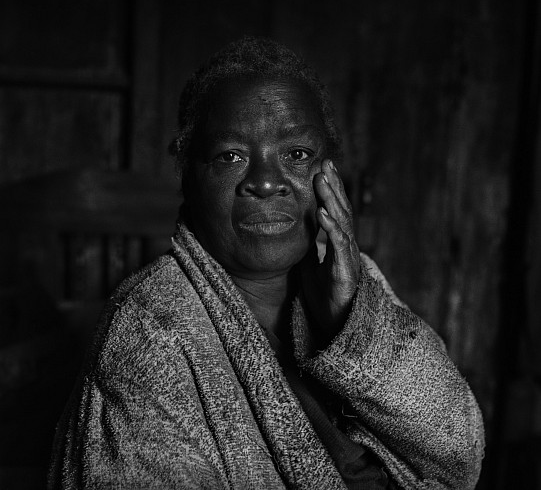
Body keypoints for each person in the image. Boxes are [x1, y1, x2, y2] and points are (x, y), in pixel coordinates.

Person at [48, 37, 484, 489]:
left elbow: (459, 458)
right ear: (188, 179)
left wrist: (351, 323)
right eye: (230, 156)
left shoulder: (354, 284)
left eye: (296, 155)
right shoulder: (150, 333)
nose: (265, 182)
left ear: (328, 173)